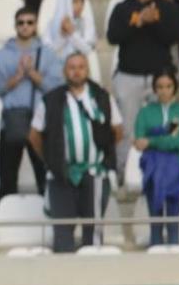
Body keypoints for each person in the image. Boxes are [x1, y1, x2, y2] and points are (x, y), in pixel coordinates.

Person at [29, 51, 122, 252]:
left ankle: (94, 276)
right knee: (62, 231)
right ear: (64, 72)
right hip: (61, 174)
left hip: (95, 173)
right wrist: (51, 159)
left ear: (87, 70)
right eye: (72, 67)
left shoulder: (102, 97)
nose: (76, 72)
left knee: (94, 231)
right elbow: (35, 135)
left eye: (81, 67)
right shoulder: (51, 100)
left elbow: (117, 130)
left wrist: (102, 152)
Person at [104, 0, 179, 167]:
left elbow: (174, 36)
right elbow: (113, 37)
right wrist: (139, 21)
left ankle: (168, 169)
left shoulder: (166, 7)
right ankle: (123, 171)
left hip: (160, 78)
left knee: (165, 124)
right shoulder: (123, 8)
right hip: (129, 76)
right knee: (127, 127)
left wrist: (155, 21)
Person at [0, 6, 49, 198]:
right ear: (15, 26)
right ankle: (4, 218)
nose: (25, 26)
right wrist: (17, 76)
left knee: (45, 177)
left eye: (30, 22)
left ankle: (49, 220)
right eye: (21, 23)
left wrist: (32, 74)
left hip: (40, 121)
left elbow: (55, 88)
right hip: (12, 120)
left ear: (36, 26)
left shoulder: (47, 53)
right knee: (7, 177)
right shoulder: (0, 55)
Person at [133, 72, 179, 247]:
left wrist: (152, 140)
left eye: (168, 86)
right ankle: (155, 256)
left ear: (174, 87)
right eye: (160, 87)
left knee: (174, 217)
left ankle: (175, 253)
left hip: (176, 166)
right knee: (155, 217)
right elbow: (138, 141)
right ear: (154, 89)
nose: (164, 91)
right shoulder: (145, 112)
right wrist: (166, 138)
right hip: (152, 166)